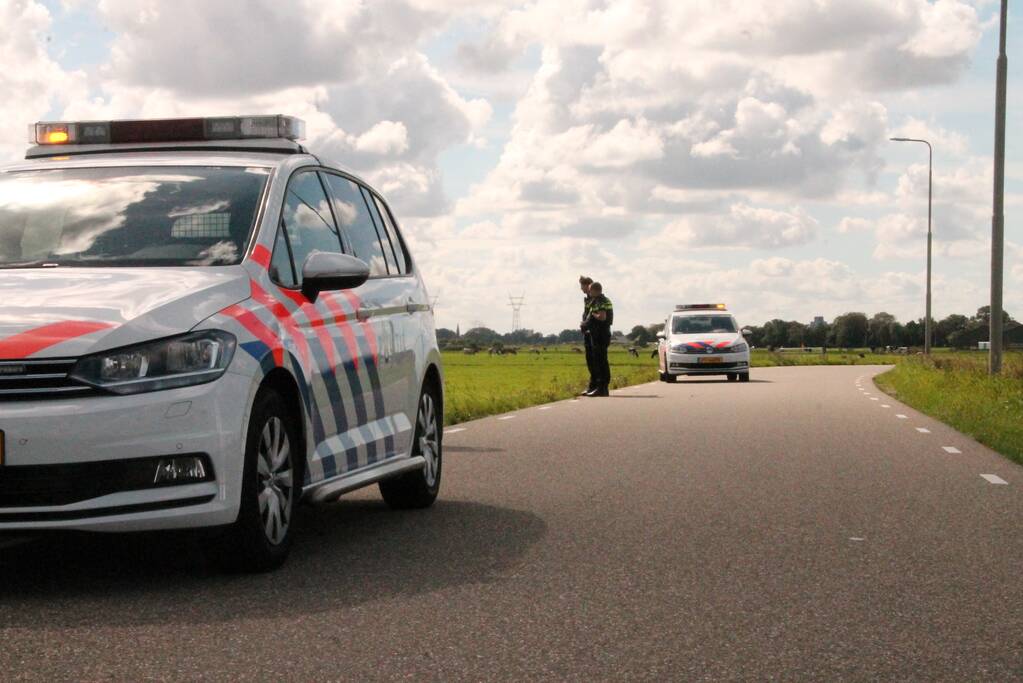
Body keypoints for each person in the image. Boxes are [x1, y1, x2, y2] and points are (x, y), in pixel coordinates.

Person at [583, 281, 613, 397]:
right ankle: (601, 388)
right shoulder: (602, 300)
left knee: (600, 361)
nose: (588, 292)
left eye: (590, 290)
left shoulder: (600, 301)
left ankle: (601, 388)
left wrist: (592, 315)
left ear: (595, 291)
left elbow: (602, 317)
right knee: (600, 360)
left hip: (600, 334)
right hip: (600, 333)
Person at [578, 275, 597, 395]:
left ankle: (595, 386)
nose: (581, 289)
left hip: (593, 333)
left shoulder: (594, 299)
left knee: (593, 360)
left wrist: (585, 324)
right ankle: (593, 385)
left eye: (582, 286)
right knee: (590, 360)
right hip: (588, 332)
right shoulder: (588, 299)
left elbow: (593, 316)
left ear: (587, 285)